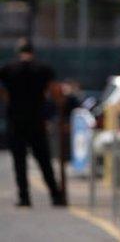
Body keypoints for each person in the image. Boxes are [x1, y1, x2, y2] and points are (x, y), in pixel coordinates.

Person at [0, 38, 65, 207]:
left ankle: (24, 197)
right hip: (36, 119)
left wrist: (9, 100)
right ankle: (55, 195)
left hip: (15, 120)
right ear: (32, 52)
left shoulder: (8, 69)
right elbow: (54, 92)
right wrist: (58, 108)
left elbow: (2, 89)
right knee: (43, 159)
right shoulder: (43, 69)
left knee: (19, 161)